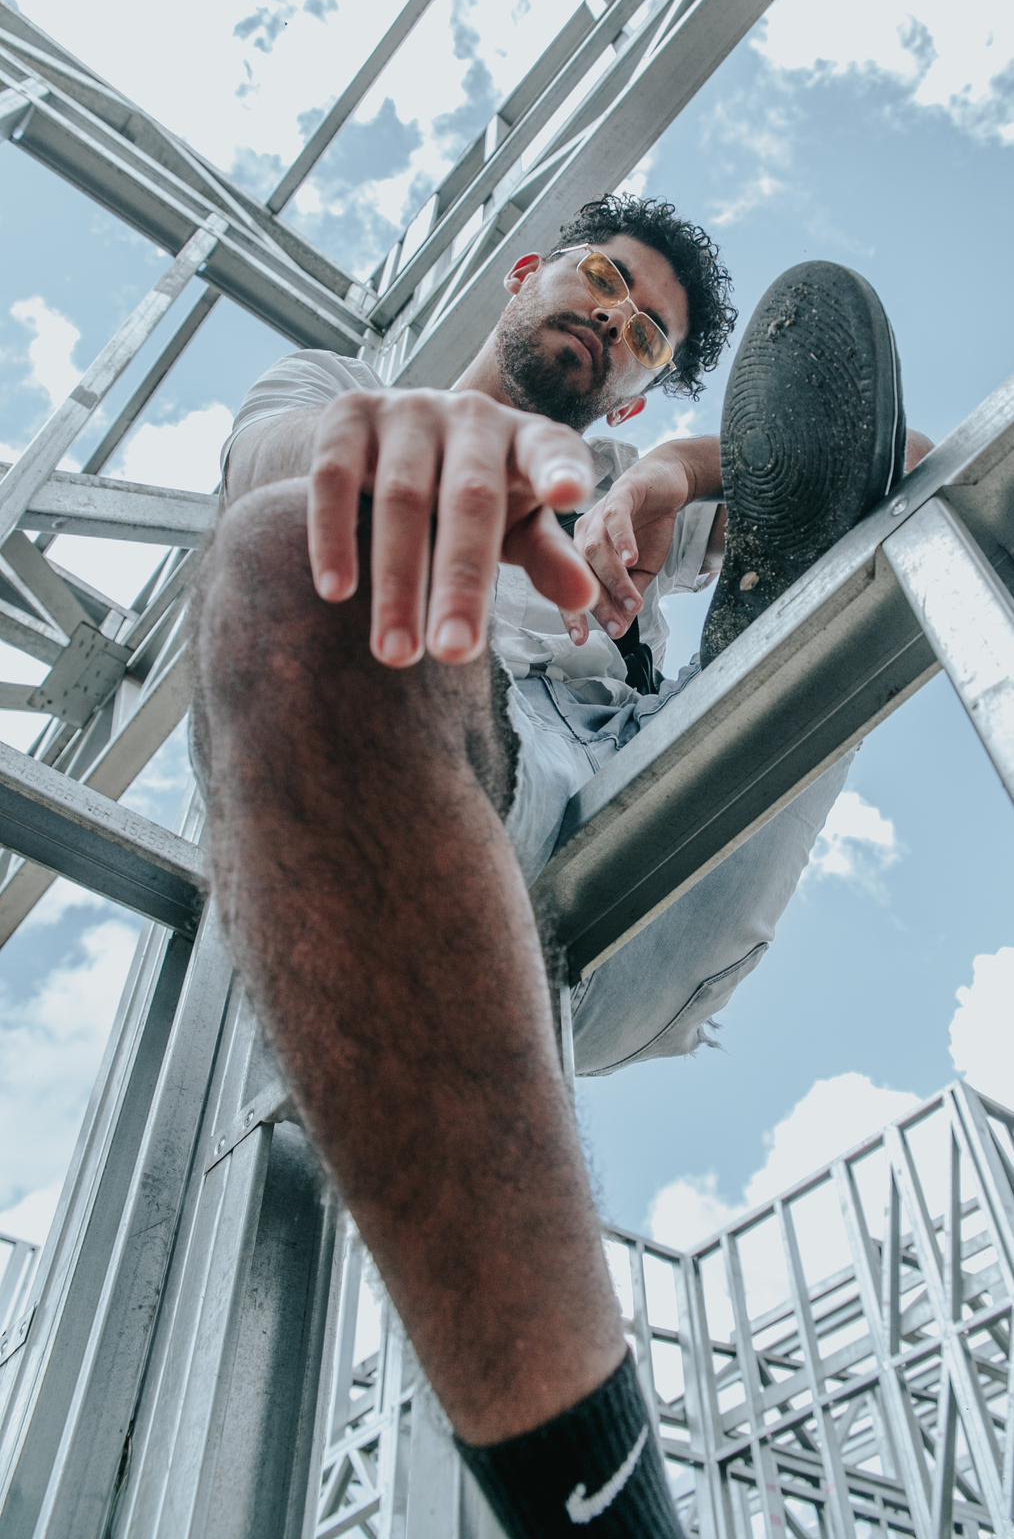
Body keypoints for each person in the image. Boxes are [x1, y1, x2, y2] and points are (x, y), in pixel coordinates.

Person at [191, 194, 930, 1537]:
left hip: (663, 795)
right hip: (446, 790)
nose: (617, 319)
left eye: (647, 334)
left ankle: (771, 610)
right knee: (287, 556)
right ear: (527, 275)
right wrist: (411, 440)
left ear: (638, 393)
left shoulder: (620, 491)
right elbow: (267, 460)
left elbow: (891, 442)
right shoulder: (338, 390)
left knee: (826, 491)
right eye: (604, 282)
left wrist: (669, 482)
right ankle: (595, 1502)